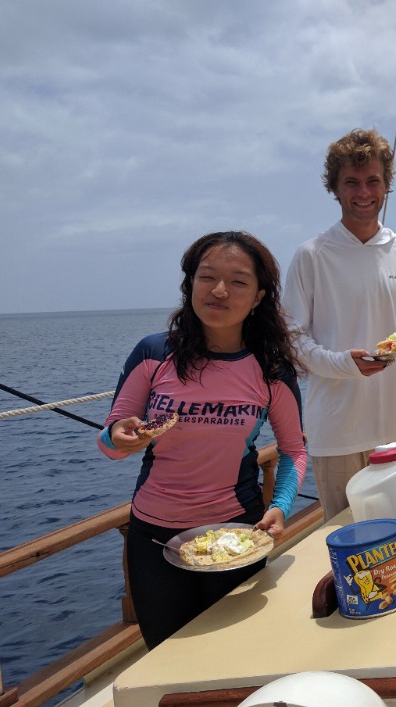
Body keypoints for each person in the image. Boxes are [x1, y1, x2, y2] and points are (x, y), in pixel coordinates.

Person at [98, 231, 307, 649]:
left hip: (238, 536)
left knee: (236, 654)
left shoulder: (271, 370)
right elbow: (109, 443)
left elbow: (293, 450)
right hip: (154, 538)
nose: (220, 290)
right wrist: (119, 439)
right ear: (190, 283)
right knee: (166, 655)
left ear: (259, 297)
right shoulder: (153, 354)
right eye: (207, 277)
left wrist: (281, 506)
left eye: (238, 281)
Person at [283, 129, 396, 521]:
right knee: (349, 541)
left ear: (386, 185)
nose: (363, 192)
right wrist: (345, 364)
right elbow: (294, 342)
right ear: (334, 187)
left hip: (395, 430)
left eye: (373, 181)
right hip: (336, 434)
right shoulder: (311, 255)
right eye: (352, 182)